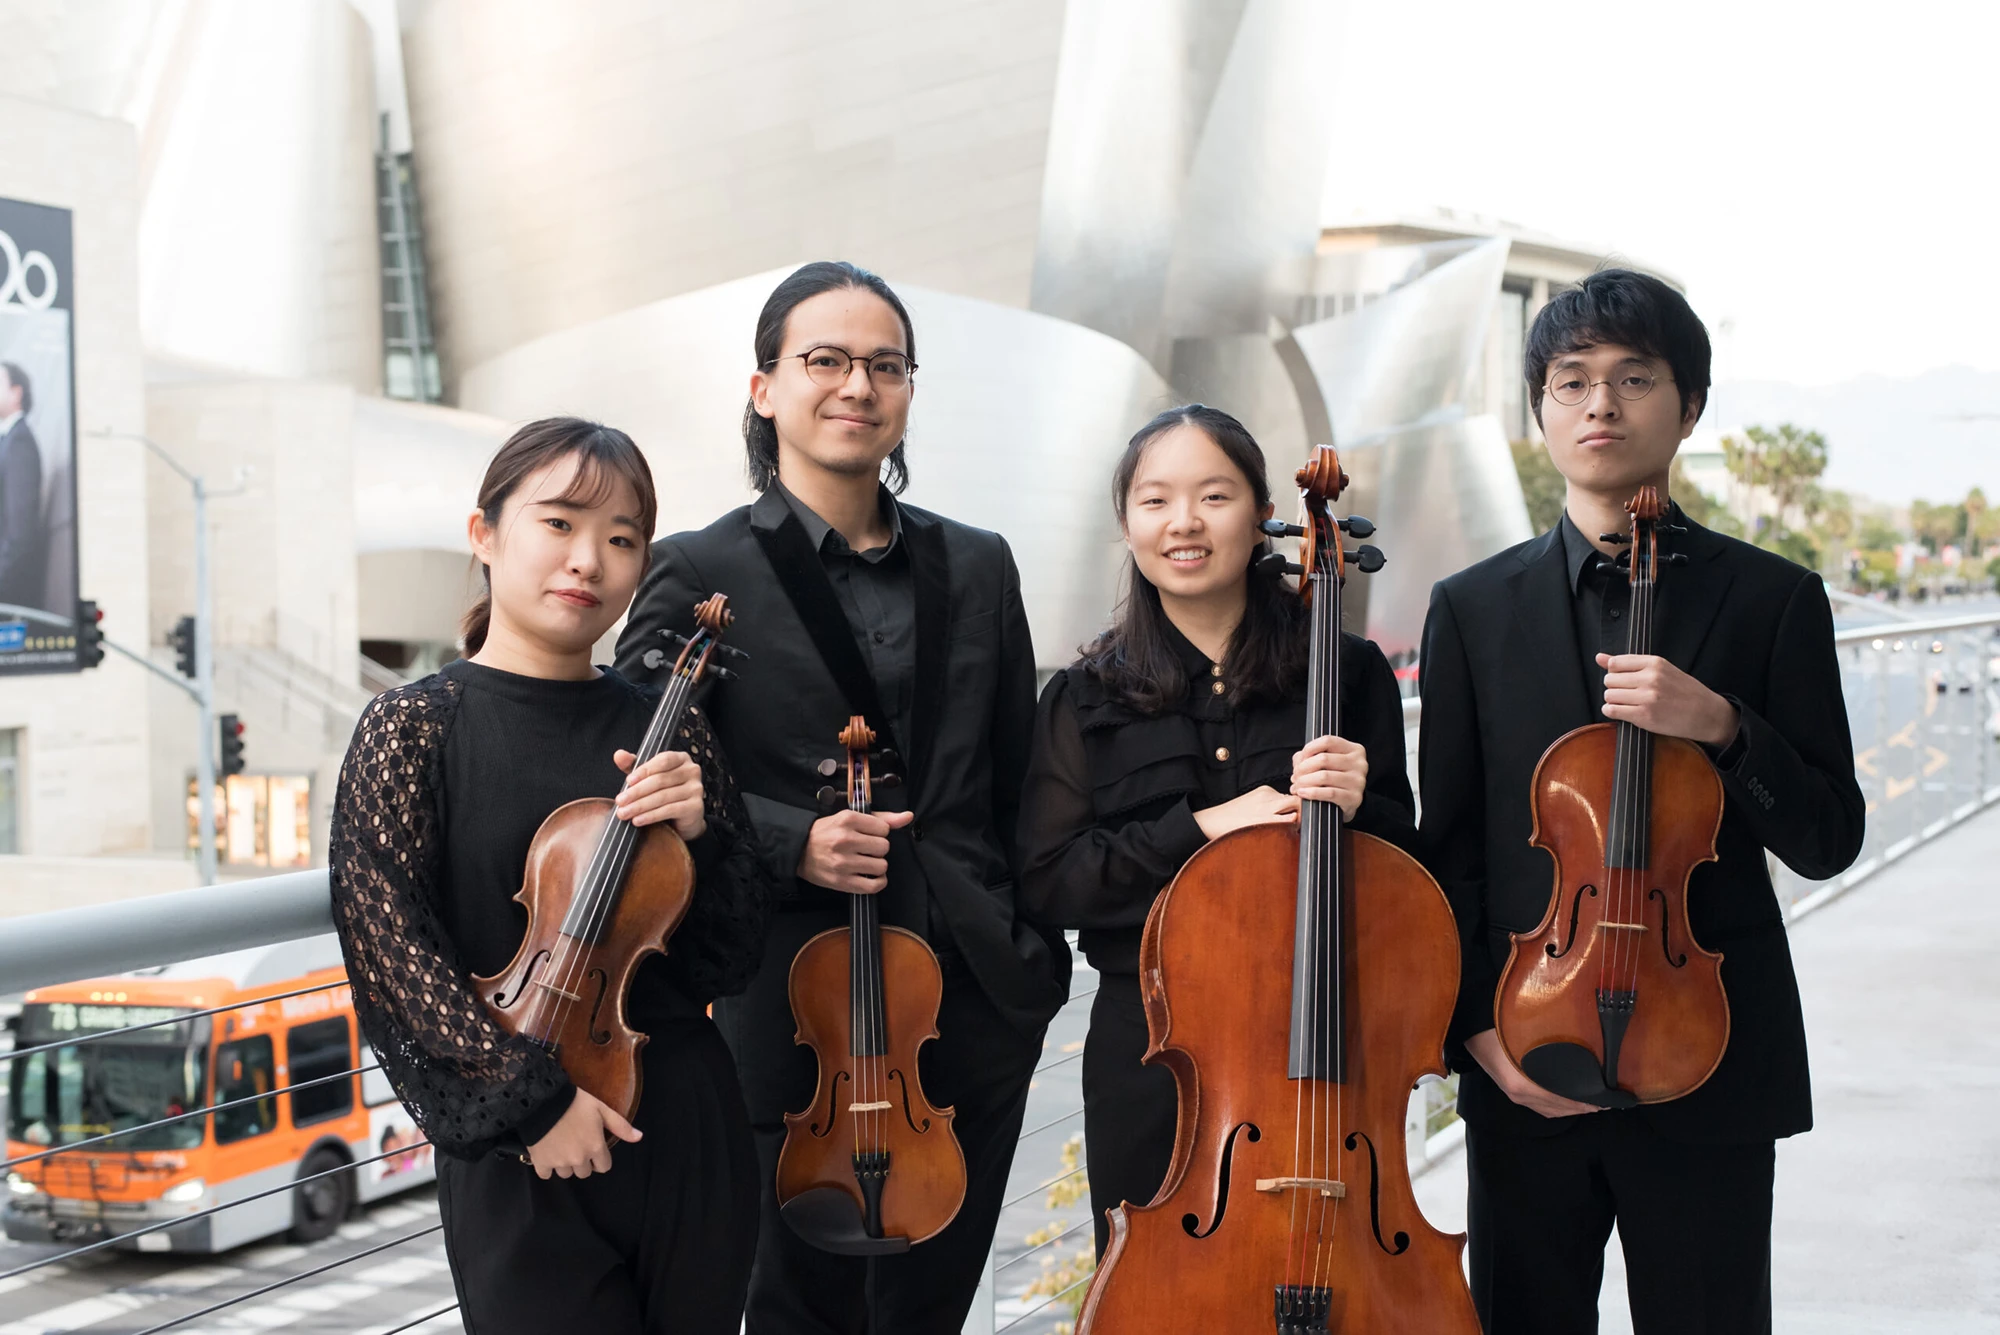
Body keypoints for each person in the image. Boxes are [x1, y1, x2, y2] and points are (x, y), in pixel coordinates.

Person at [614, 260, 1069, 1333]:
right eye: (823, 360)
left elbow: (1011, 776)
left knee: (930, 1312)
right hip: (792, 1008)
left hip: (969, 999)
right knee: (793, 1309)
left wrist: (1026, 962)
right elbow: (633, 770)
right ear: (765, 386)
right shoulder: (694, 568)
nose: (855, 385)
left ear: (908, 392)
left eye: (884, 365)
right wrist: (789, 842)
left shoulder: (980, 562)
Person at [1418, 269, 1866, 1334]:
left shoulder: (1771, 600)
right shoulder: (1469, 610)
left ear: (1689, 405)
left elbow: (1827, 835)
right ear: (1538, 411)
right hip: (1523, 1058)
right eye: (1569, 383)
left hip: (1706, 1054)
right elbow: (1446, 852)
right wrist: (1478, 1035)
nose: (1599, 407)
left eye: (1632, 379)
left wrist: (1721, 727)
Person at [328, 417, 777, 1334]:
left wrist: (709, 832)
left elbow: (727, 955)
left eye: (621, 539)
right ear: (485, 533)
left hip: (684, 1123)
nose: (590, 560)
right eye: (560, 524)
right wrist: (533, 1108)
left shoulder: (670, 727)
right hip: (520, 1150)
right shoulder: (413, 728)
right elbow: (387, 946)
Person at [1016, 404, 1418, 1258]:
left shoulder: (1345, 671)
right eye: (1156, 501)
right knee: (1159, 1285)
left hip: (1327, 1043)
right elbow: (1050, 877)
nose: (1185, 523)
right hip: (1155, 1054)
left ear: (1262, 512)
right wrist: (1201, 826)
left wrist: (1360, 810)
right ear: (1126, 523)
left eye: (1214, 495)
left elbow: (1408, 872)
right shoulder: (1083, 698)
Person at [0, 361, 46, 610]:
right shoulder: (7, 441)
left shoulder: (19, 444)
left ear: (16, 393)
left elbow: (19, 531)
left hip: (10, 596)